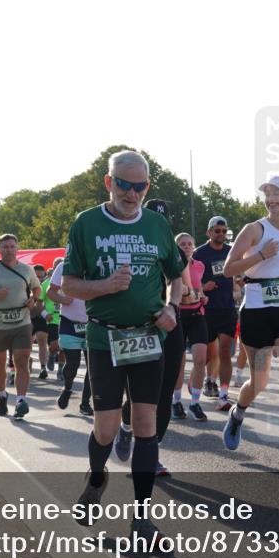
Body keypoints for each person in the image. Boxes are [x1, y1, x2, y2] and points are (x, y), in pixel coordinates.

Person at [62, 151, 183, 533]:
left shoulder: (157, 225)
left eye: (140, 186)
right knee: (107, 429)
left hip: (148, 336)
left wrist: (173, 308)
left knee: (145, 423)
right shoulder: (86, 223)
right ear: (108, 182)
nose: (131, 194)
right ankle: (96, 478)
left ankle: (142, 515)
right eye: (123, 185)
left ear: (147, 186)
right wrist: (105, 286)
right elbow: (68, 284)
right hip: (104, 339)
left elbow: (177, 276)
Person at [222, 175, 279, 472]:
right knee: (259, 381)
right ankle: (238, 412)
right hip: (257, 310)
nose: (271, 198)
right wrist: (261, 254)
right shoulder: (254, 229)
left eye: (277, 193)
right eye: (267, 194)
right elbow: (228, 269)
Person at [116, 198, 191, 477]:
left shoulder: (173, 250)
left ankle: (151, 453)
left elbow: (181, 281)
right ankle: (125, 427)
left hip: (169, 322)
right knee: (139, 392)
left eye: (164, 217)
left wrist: (176, 303)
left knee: (166, 389)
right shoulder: (127, 242)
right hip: (139, 325)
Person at [0, 234, 40, 418]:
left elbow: (37, 288)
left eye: (12, 246)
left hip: (22, 321)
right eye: (5, 247)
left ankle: (21, 400)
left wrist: (32, 300)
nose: (9, 250)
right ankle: (2, 395)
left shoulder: (27, 269)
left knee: (21, 360)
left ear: (17, 248)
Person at [194, 216, 237, 411]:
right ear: (209, 232)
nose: (221, 234)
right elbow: (191, 282)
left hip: (227, 308)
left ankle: (224, 393)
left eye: (223, 231)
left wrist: (238, 287)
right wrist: (204, 286)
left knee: (225, 351)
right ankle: (208, 380)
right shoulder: (199, 253)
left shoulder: (231, 252)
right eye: (217, 230)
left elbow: (240, 274)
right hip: (207, 309)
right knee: (210, 354)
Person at [48, 258, 93, 415]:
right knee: (72, 364)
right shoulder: (64, 266)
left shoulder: (98, 262)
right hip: (69, 322)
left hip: (92, 322)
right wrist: (61, 299)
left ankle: (85, 403)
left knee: (92, 367)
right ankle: (67, 388)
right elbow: (50, 292)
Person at [173, 232, 210, 422]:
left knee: (200, 360)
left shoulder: (200, 266)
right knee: (179, 364)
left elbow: (199, 289)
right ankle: (176, 401)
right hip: (178, 315)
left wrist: (202, 296)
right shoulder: (172, 266)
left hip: (197, 315)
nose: (186, 246)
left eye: (189, 243)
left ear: (194, 247)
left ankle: (195, 403)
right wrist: (185, 294)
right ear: (176, 247)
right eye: (182, 244)